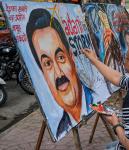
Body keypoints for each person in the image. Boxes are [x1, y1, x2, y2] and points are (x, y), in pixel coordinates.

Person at [26, 8, 85, 138]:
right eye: (47, 64)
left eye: (60, 57)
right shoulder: (60, 128)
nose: (59, 74)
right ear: (43, 74)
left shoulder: (97, 95)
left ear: (71, 57)